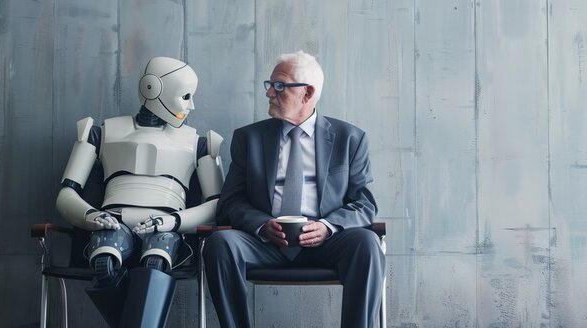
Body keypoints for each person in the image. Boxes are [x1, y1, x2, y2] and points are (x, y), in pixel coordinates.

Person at [203, 51, 385, 328]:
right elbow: (231, 202)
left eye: (279, 85)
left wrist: (328, 226)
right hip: (265, 243)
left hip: (326, 243)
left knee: (367, 243)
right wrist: (263, 226)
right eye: (270, 85)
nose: (269, 93)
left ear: (308, 92)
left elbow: (364, 204)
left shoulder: (350, 139)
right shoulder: (247, 138)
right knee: (220, 244)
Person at [56, 57, 224, 327]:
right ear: (153, 88)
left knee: (156, 262)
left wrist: (175, 221)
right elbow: (66, 194)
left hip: (166, 225)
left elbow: (217, 205)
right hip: (112, 220)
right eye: (186, 96)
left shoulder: (200, 143)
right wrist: (91, 216)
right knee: (105, 264)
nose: (191, 105)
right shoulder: (100, 133)